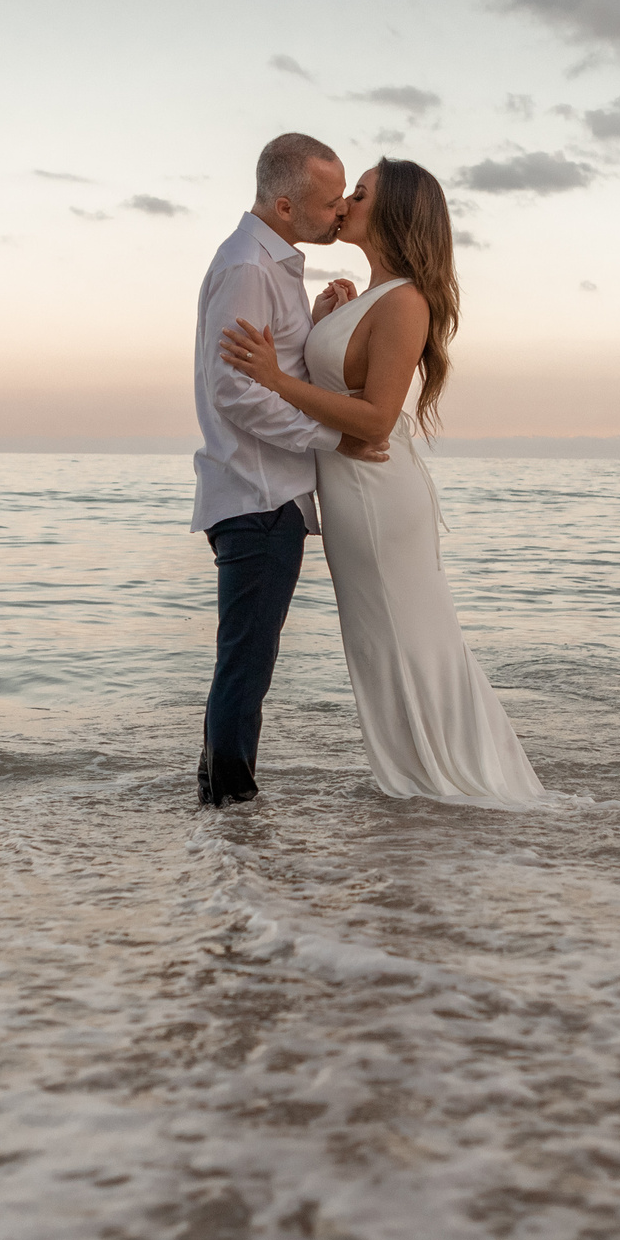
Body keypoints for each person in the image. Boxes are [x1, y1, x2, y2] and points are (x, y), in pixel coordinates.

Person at [218, 159, 545, 805]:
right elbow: (339, 388)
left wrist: (277, 377)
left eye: (359, 195)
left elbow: (375, 418)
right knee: (379, 643)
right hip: (349, 492)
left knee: (411, 638)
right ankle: (418, 783)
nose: (342, 204)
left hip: (376, 494)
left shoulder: (405, 302)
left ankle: (451, 781)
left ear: (392, 214)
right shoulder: (367, 296)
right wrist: (317, 323)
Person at [189, 133, 386, 807]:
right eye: (330, 202)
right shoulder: (248, 265)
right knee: (246, 666)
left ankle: (219, 811)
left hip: (265, 495)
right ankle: (232, 811)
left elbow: (274, 370)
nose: (339, 212)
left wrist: (317, 321)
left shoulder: (274, 264)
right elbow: (235, 391)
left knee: (244, 663)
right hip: (257, 494)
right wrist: (333, 438)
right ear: (282, 205)